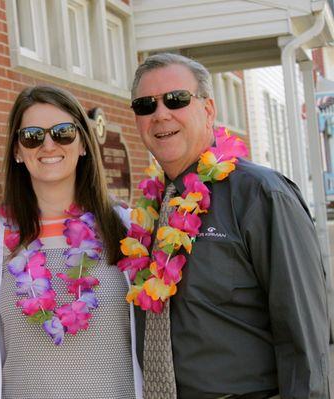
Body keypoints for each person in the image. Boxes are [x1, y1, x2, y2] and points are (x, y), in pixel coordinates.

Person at [130, 52, 330, 398]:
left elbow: (304, 341)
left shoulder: (262, 195)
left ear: (208, 110)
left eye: (176, 100)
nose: (160, 114)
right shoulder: (150, 209)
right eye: (145, 105)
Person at [0, 85, 143, 399]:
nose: (48, 145)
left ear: (82, 145)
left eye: (63, 132)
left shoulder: (127, 229)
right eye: (33, 136)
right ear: (17, 151)